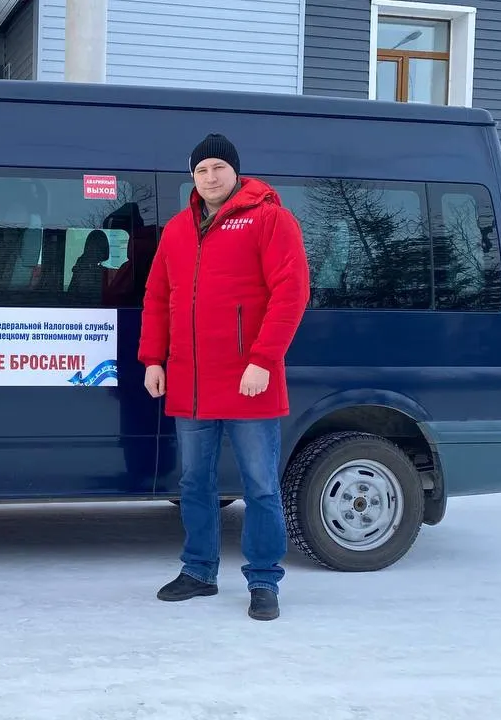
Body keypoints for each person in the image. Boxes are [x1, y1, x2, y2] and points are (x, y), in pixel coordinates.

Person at [137, 133, 310, 621]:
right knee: (194, 483)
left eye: (218, 168)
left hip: (249, 380)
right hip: (190, 382)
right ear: (192, 177)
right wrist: (153, 359)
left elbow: (291, 292)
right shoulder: (177, 229)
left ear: (235, 171)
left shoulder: (269, 218)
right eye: (201, 170)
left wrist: (263, 360)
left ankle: (264, 579)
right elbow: (158, 297)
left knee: (260, 486)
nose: (210, 177)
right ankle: (199, 571)